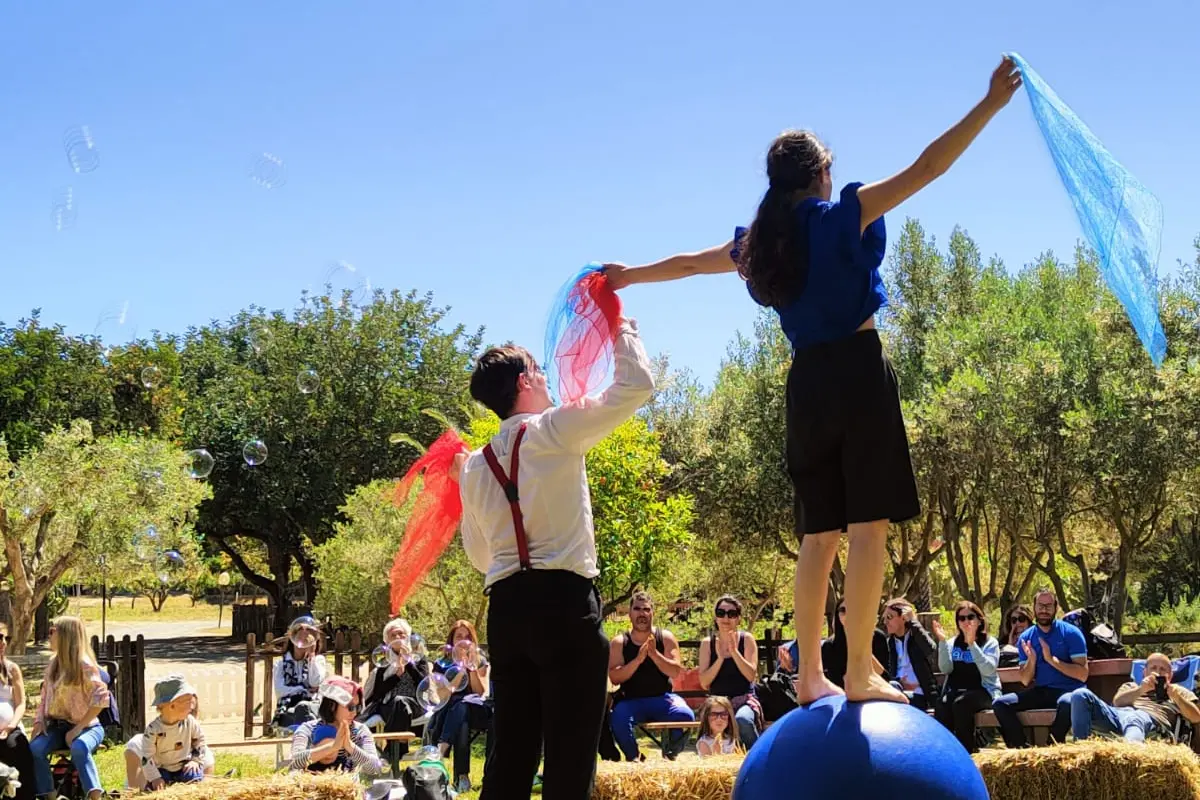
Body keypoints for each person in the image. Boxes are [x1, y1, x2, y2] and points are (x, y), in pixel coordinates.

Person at [604, 56, 1023, 705]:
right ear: (820, 173)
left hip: (807, 386)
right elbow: (929, 168)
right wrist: (990, 104)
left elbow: (688, 264)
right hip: (857, 373)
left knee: (818, 534)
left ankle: (808, 677)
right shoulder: (841, 214)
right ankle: (857, 673)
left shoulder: (762, 244)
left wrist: (629, 274)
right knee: (868, 528)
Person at [455, 313, 655, 798]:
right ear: (524, 381)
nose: (547, 376)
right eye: (540, 370)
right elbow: (637, 385)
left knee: (511, 754)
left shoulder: (475, 466)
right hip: (565, 605)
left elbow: (481, 557)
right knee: (569, 756)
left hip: (505, 611)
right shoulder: (555, 428)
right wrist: (619, 328)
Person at [991, 589, 1088, 747]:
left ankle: (1052, 745)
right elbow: (1025, 680)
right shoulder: (1026, 638)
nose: (1044, 610)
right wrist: (1032, 660)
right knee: (1000, 704)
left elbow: (1083, 675)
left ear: (1056, 608)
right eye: (1040, 606)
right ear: (1034, 608)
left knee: (1067, 703)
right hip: (1042, 691)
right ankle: (1022, 749)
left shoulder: (1071, 633)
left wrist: (1052, 660)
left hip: (1070, 690)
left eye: (1048, 606)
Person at [607, 592, 694, 762]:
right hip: (631, 701)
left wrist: (654, 655)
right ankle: (636, 759)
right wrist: (638, 660)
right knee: (618, 718)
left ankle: (670, 755)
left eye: (646, 609)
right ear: (630, 613)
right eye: (637, 609)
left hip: (663, 698)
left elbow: (676, 671)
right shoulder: (619, 642)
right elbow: (615, 678)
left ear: (652, 613)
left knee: (686, 715)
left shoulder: (666, 637)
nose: (642, 614)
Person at [29, 616, 109, 800]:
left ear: (65, 635)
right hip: (57, 726)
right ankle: (47, 795)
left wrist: (78, 728)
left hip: (88, 727)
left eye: (52, 631)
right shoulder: (53, 665)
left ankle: (95, 795)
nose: (49, 636)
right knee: (35, 749)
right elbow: (43, 699)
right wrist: (39, 722)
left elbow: (102, 700)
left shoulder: (85, 666)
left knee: (79, 747)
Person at [1069, 652, 1200, 743]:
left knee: (1135, 716)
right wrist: (1141, 689)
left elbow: (1196, 717)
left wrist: (1176, 697)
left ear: (1170, 675)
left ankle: (1131, 757)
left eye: (1163, 669)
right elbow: (1117, 702)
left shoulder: (1179, 691)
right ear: (1144, 672)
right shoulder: (1132, 685)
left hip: (1150, 722)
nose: (1158, 672)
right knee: (1080, 695)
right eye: (1153, 668)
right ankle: (1080, 752)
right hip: (1117, 716)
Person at [428, 620, 493, 794]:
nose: (463, 641)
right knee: (460, 712)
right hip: (453, 711)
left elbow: (481, 692)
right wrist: (459, 672)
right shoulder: (442, 664)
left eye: (467, 637)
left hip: (477, 709)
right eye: (459, 637)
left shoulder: (480, 661)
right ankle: (462, 777)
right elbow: (442, 696)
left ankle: (442, 748)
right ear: (452, 641)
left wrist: (471, 668)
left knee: (463, 704)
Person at [931, 601, 1001, 752]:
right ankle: (946, 752)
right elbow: (946, 668)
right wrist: (942, 642)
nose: (966, 621)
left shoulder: (990, 643)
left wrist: (972, 644)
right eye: (961, 618)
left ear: (979, 620)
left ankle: (967, 752)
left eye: (970, 617)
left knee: (961, 704)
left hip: (984, 692)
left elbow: (988, 670)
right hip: (956, 691)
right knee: (942, 705)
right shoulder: (951, 643)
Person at [359, 618, 430, 760]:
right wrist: (396, 676)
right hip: (388, 707)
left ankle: (390, 754)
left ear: (408, 637)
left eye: (401, 634)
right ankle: (397, 752)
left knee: (401, 702)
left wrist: (408, 662)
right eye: (393, 635)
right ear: (387, 641)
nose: (398, 638)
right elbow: (377, 694)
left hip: (415, 705)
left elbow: (424, 683)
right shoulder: (384, 664)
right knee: (399, 702)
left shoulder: (418, 659)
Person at [698, 596, 761, 748]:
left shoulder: (747, 640)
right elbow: (704, 682)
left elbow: (751, 675)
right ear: (716, 617)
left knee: (743, 720)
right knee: (715, 721)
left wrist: (734, 652)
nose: (726, 618)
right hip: (717, 704)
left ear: (738, 618)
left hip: (744, 700)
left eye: (731, 614)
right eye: (721, 613)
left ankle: (757, 758)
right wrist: (720, 659)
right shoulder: (707, 644)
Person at [290, 678, 383, 776]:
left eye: (358, 707)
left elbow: (375, 768)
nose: (354, 712)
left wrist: (349, 746)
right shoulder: (308, 730)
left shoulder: (360, 731)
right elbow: (294, 762)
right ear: (332, 706)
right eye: (350, 707)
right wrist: (333, 747)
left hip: (348, 789)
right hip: (309, 788)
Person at [125, 694, 214, 792]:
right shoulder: (146, 738)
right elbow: (135, 788)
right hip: (160, 773)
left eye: (191, 708)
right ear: (172, 707)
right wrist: (154, 778)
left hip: (184, 771)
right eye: (187, 705)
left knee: (193, 774)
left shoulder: (201, 750)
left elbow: (205, 787)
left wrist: (195, 761)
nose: (190, 709)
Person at [140, 675, 207, 790]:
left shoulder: (190, 722)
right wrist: (155, 777)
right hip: (162, 769)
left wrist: (195, 761)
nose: (192, 707)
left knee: (194, 777)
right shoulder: (153, 730)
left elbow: (200, 740)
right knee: (155, 788)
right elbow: (147, 757)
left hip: (184, 766)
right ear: (172, 705)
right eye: (188, 702)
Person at [881, 599, 940, 712]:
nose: (885, 622)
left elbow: (930, 650)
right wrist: (899, 682)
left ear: (903, 618)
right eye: (884, 618)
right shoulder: (890, 643)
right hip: (896, 690)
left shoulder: (917, 638)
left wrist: (913, 621)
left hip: (919, 693)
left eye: (889, 617)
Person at [271, 616, 328, 730]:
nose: (303, 639)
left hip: (312, 705)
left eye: (307, 637)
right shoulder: (281, 663)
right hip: (288, 707)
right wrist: (302, 689)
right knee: (300, 711)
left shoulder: (318, 660)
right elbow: (280, 691)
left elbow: (315, 682)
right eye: (300, 636)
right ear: (293, 639)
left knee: (306, 709)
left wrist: (312, 657)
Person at [0, 622, 34, 800]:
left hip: (10, 729)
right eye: (0, 637)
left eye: (6, 638)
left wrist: (10, 726)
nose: (4, 642)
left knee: (19, 748)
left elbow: (21, 704)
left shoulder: (12, 669)